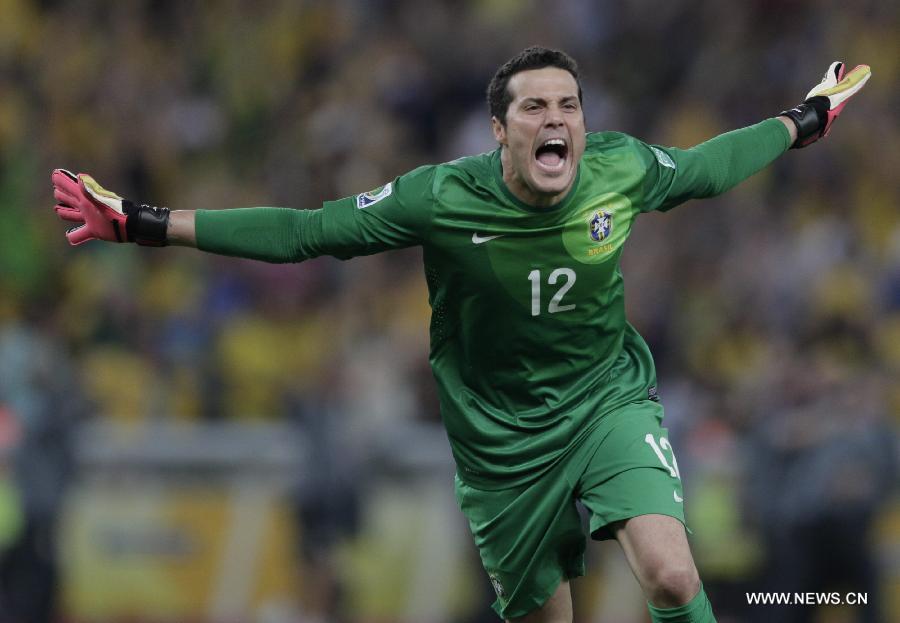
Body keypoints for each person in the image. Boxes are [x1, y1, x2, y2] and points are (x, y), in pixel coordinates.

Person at [50, 47, 870, 623]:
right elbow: (305, 231)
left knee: (668, 569)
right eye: (536, 107)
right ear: (500, 130)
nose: (558, 121)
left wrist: (802, 120)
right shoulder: (438, 196)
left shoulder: (619, 167)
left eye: (570, 106)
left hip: (605, 404)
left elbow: (707, 166)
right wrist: (150, 224)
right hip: (499, 439)